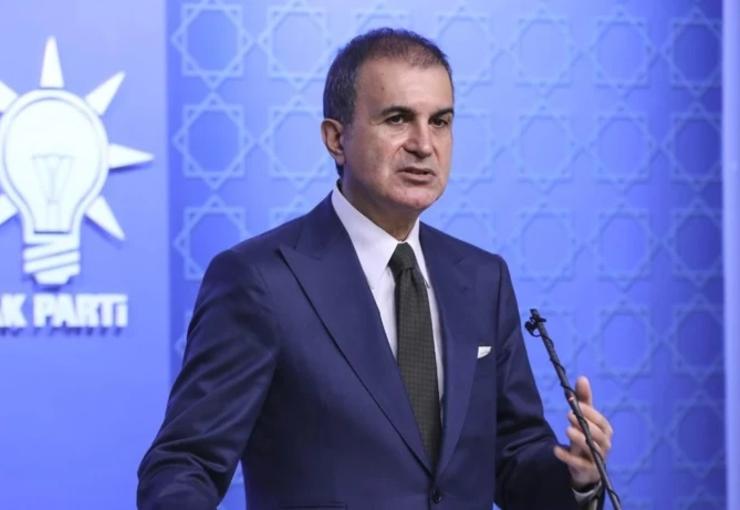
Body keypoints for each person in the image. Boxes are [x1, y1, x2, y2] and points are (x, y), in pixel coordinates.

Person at [138, 28, 613, 510]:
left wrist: (576, 476)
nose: (424, 144)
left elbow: (514, 459)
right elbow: (184, 463)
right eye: (397, 119)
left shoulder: (483, 278)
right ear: (335, 139)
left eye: (440, 121)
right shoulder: (260, 281)